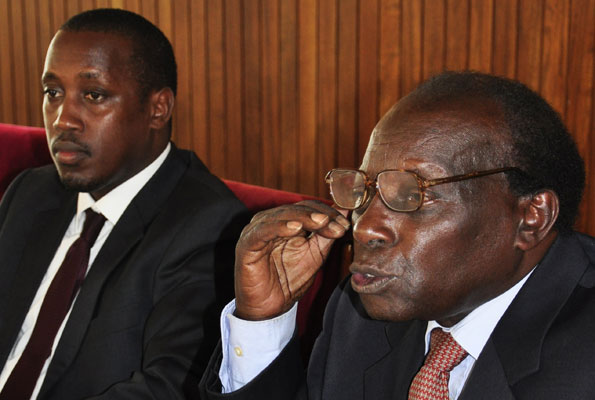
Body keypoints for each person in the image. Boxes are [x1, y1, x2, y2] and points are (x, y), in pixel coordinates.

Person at [199, 71, 595, 399]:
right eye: (365, 190)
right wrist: (261, 321)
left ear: (531, 217)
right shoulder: (360, 316)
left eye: (411, 194)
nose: (364, 227)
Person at [0, 8, 246, 400]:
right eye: (53, 93)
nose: (63, 119)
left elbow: (169, 387)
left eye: (93, 95)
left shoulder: (209, 225)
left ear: (158, 109)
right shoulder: (30, 192)